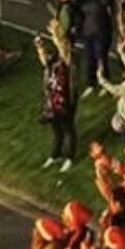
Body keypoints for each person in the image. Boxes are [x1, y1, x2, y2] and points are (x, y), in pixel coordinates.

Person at [36, 37, 77, 171]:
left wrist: (56, 37)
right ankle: (55, 155)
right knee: (56, 129)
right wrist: (40, 45)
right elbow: (43, 59)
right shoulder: (51, 63)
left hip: (65, 101)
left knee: (68, 128)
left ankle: (70, 157)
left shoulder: (67, 63)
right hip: (52, 103)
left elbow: (64, 51)